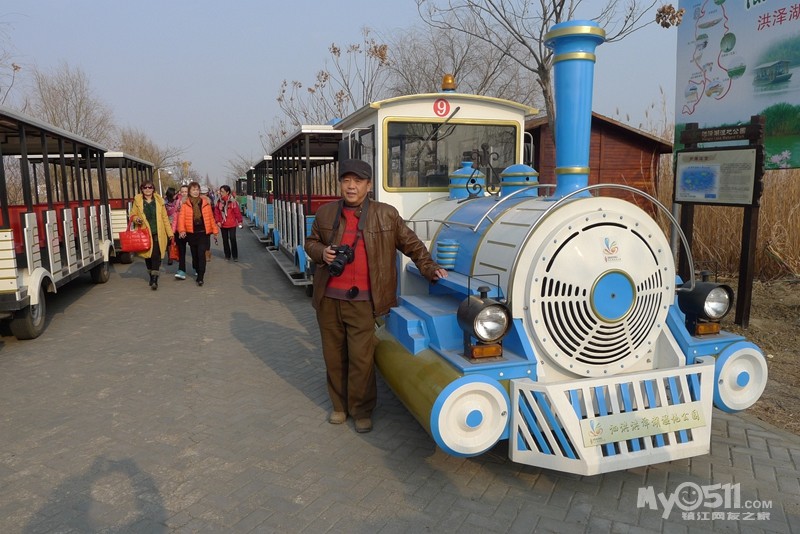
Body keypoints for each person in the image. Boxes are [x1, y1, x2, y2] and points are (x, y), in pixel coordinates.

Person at [304, 159, 447, 433]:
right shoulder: (325, 214)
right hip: (329, 300)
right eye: (346, 180)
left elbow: (412, 244)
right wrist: (321, 252)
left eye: (358, 181)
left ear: (368, 185)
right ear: (340, 184)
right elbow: (310, 242)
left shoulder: (386, 214)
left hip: (363, 301)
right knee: (334, 357)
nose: (351, 186)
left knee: (361, 358)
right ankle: (339, 406)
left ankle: (361, 409)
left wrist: (430, 267)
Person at [128, 180, 174, 290]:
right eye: (145, 188)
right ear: (142, 189)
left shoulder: (159, 201)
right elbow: (132, 214)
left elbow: (165, 218)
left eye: (150, 187)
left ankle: (154, 279)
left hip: (158, 232)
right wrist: (136, 218)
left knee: (155, 255)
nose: (148, 189)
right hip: (145, 232)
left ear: (153, 189)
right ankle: (151, 274)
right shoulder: (138, 201)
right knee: (147, 256)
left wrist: (170, 233)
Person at [177, 181, 218, 286]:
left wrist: (215, 230)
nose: (195, 192)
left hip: (203, 233)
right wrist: (181, 230)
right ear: (190, 191)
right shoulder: (186, 204)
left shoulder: (205, 203)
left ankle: (201, 276)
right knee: (195, 255)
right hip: (192, 234)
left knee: (201, 254)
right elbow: (181, 219)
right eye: (193, 190)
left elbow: (210, 217)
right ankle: (196, 267)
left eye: (197, 190)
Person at [214, 184, 244, 261]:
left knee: (233, 239)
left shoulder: (233, 201)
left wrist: (240, 221)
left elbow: (237, 212)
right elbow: (216, 212)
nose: (221, 193)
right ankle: (227, 255)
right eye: (220, 191)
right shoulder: (219, 202)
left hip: (232, 224)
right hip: (223, 224)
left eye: (222, 191)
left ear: (227, 192)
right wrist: (217, 221)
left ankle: (235, 256)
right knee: (225, 240)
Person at [172, 184, 190, 279]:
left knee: (194, 251)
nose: (184, 193)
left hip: (191, 230)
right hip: (180, 230)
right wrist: (173, 230)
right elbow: (175, 217)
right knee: (181, 251)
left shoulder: (192, 202)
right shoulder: (178, 202)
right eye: (182, 191)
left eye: (186, 191)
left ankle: (196, 267)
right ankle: (181, 270)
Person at [163, 187, 178, 266]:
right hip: (168, 224)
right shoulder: (164, 203)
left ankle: (177, 255)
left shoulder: (177, 202)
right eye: (175, 193)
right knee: (169, 241)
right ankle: (170, 257)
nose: (176, 195)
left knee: (177, 241)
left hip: (177, 224)